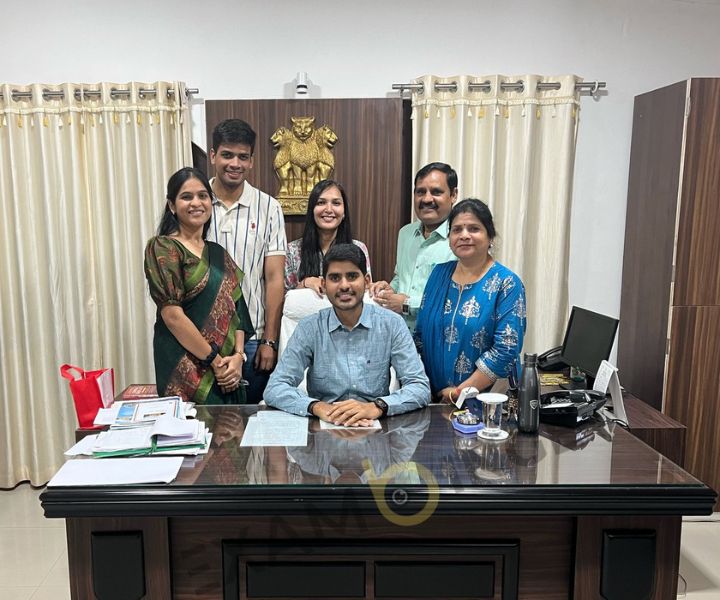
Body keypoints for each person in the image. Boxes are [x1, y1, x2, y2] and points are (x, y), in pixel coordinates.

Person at [265, 244, 430, 426]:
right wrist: (317, 407)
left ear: (366, 282)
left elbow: (419, 387)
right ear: (324, 284)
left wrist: (377, 407)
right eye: (335, 278)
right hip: (324, 427)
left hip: (375, 427)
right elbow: (275, 388)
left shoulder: (392, 324)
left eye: (352, 276)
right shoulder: (309, 327)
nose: (344, 285)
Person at [144, 167, 255, 404]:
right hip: (184, 367)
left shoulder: (218, 253)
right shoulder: (163, 248)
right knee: (188, 437)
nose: (196, 203)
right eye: (186, 197)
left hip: (228, 372)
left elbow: (239, 311)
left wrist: (237, 358)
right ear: (172, 206)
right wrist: (215, 361)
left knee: (228, 437)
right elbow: (172, 316)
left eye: (203, 196)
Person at [414, 198, 526, 403]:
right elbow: (420, 336)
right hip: (434, 399)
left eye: (474, 229)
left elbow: (506, 350)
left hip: (487, 405)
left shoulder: (507, 283)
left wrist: (457, 393)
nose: (464, 236)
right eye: (457, 230)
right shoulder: (438, 274)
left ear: (490, 236)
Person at [207, 119, 287, 402]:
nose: (235, 164)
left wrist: (270, 340)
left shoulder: (269, 207)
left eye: (243, 157)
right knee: (206, 434)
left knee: (253, 432)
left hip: (254, 344)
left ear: (252, 161)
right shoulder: (195, 203)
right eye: (227, 155)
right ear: (213, 155)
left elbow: (275, 278)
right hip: (202, 342)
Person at [370, 162, 457, 331]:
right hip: (401, 336)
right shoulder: (405, 233)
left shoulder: (460, 240)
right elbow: (401, 277)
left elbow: (456, 300)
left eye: (436, 192)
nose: (426, 199)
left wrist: (406, 304)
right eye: (420, 192)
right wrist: (389, 288)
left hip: (438, 337)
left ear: (453, 195)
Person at [284, 179, 372, 295]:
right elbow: (285, 303)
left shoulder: (358, 248)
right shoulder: (292, 251)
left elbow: (365, 293)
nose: (329, 210)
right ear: (312, 210)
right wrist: (305, 283)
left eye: (336, 203)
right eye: (321, 203)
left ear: (344, 211)